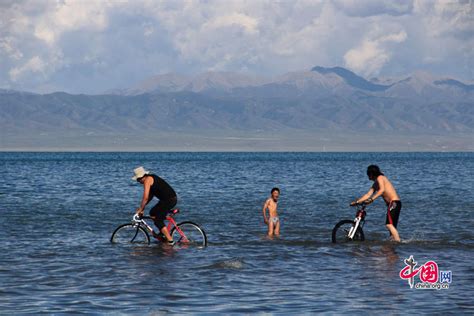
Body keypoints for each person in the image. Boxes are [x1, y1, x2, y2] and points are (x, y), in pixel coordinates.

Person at [351, 165, 402, 242]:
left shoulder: (380, 178)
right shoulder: (375, 183)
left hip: (394, 203)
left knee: (389, 225)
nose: (368, 176)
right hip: (393, 204)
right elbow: (368, 194)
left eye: (368, 174)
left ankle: (398, 243)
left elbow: (381, 190)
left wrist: (372, 199)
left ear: (371, 174)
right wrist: (357, 202)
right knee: (392, 227)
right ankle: (392, 245)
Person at [132, 166, 178, 245]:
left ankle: (170, 241)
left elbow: (145, 197)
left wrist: (141, 209)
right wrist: (142, 208)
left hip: (169, 200)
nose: (138, 181)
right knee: (153, 212)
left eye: (138, 179)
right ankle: (162, 233)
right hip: (167, 200)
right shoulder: (151, 178)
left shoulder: (147, 180)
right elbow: (150, 196)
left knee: (158, 220)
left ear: (142, 176)